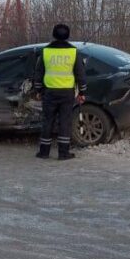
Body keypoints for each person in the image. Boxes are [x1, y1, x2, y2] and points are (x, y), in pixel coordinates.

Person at [33, 23, 86, 160]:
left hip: (49, 92)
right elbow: (80, 74)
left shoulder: (46, 51)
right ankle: (63, 153)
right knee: (65, 122)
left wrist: (38, 90)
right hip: (67, 93)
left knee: (47, 121)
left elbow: (38, 73)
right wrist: (82, 92)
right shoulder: (73, 52)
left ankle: (44, 152)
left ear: (53, 34)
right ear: (68, 35)